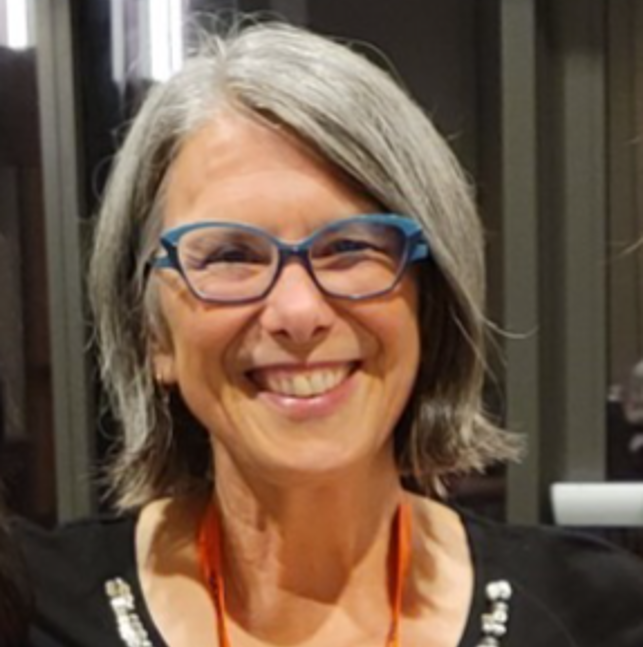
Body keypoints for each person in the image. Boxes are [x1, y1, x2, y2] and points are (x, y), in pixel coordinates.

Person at [18, 20, 643, 647]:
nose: (298, 311)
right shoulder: (27, 610)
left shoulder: (597, 616)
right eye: (231, 255)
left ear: (428, 303)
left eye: (350, 247)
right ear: (152, 332)